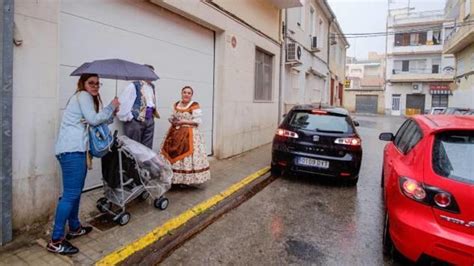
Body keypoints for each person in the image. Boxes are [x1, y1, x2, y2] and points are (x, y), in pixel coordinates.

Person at [48, 74, 120, 255]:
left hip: (75, 150)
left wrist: (111, 113)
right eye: (91, 83)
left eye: (97, 83)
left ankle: (74, 227)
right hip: (72, 151)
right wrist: (111, 106)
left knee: (74, 193)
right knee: (70, 195)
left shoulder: (83, 98)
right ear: (83, 84)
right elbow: (95, 119)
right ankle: (56, 240)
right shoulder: (83, 95)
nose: (95, 86)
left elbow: (94, 121)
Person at [161, 86, 210, 185]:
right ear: (181, 93)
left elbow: (197, 121)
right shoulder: (176, 104)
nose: (186, 94)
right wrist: (172, 120)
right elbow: (172, 116)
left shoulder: (194, 105)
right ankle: (174, 178)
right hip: (174, 132)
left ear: (191, 95)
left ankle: (185, 180)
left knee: (187, 154)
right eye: (184, 92)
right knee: (170, 152)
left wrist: (183, 121)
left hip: (189, 133)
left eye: (189, 93)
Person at [117, 64, 159, 149]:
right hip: (136, 121)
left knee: (147, 148)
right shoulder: (133, 85)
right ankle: (134, 163)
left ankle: (144, 163)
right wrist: (131, 118)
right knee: (134, 147)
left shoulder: (152, 87)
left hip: (149, 120)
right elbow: (123, 104)